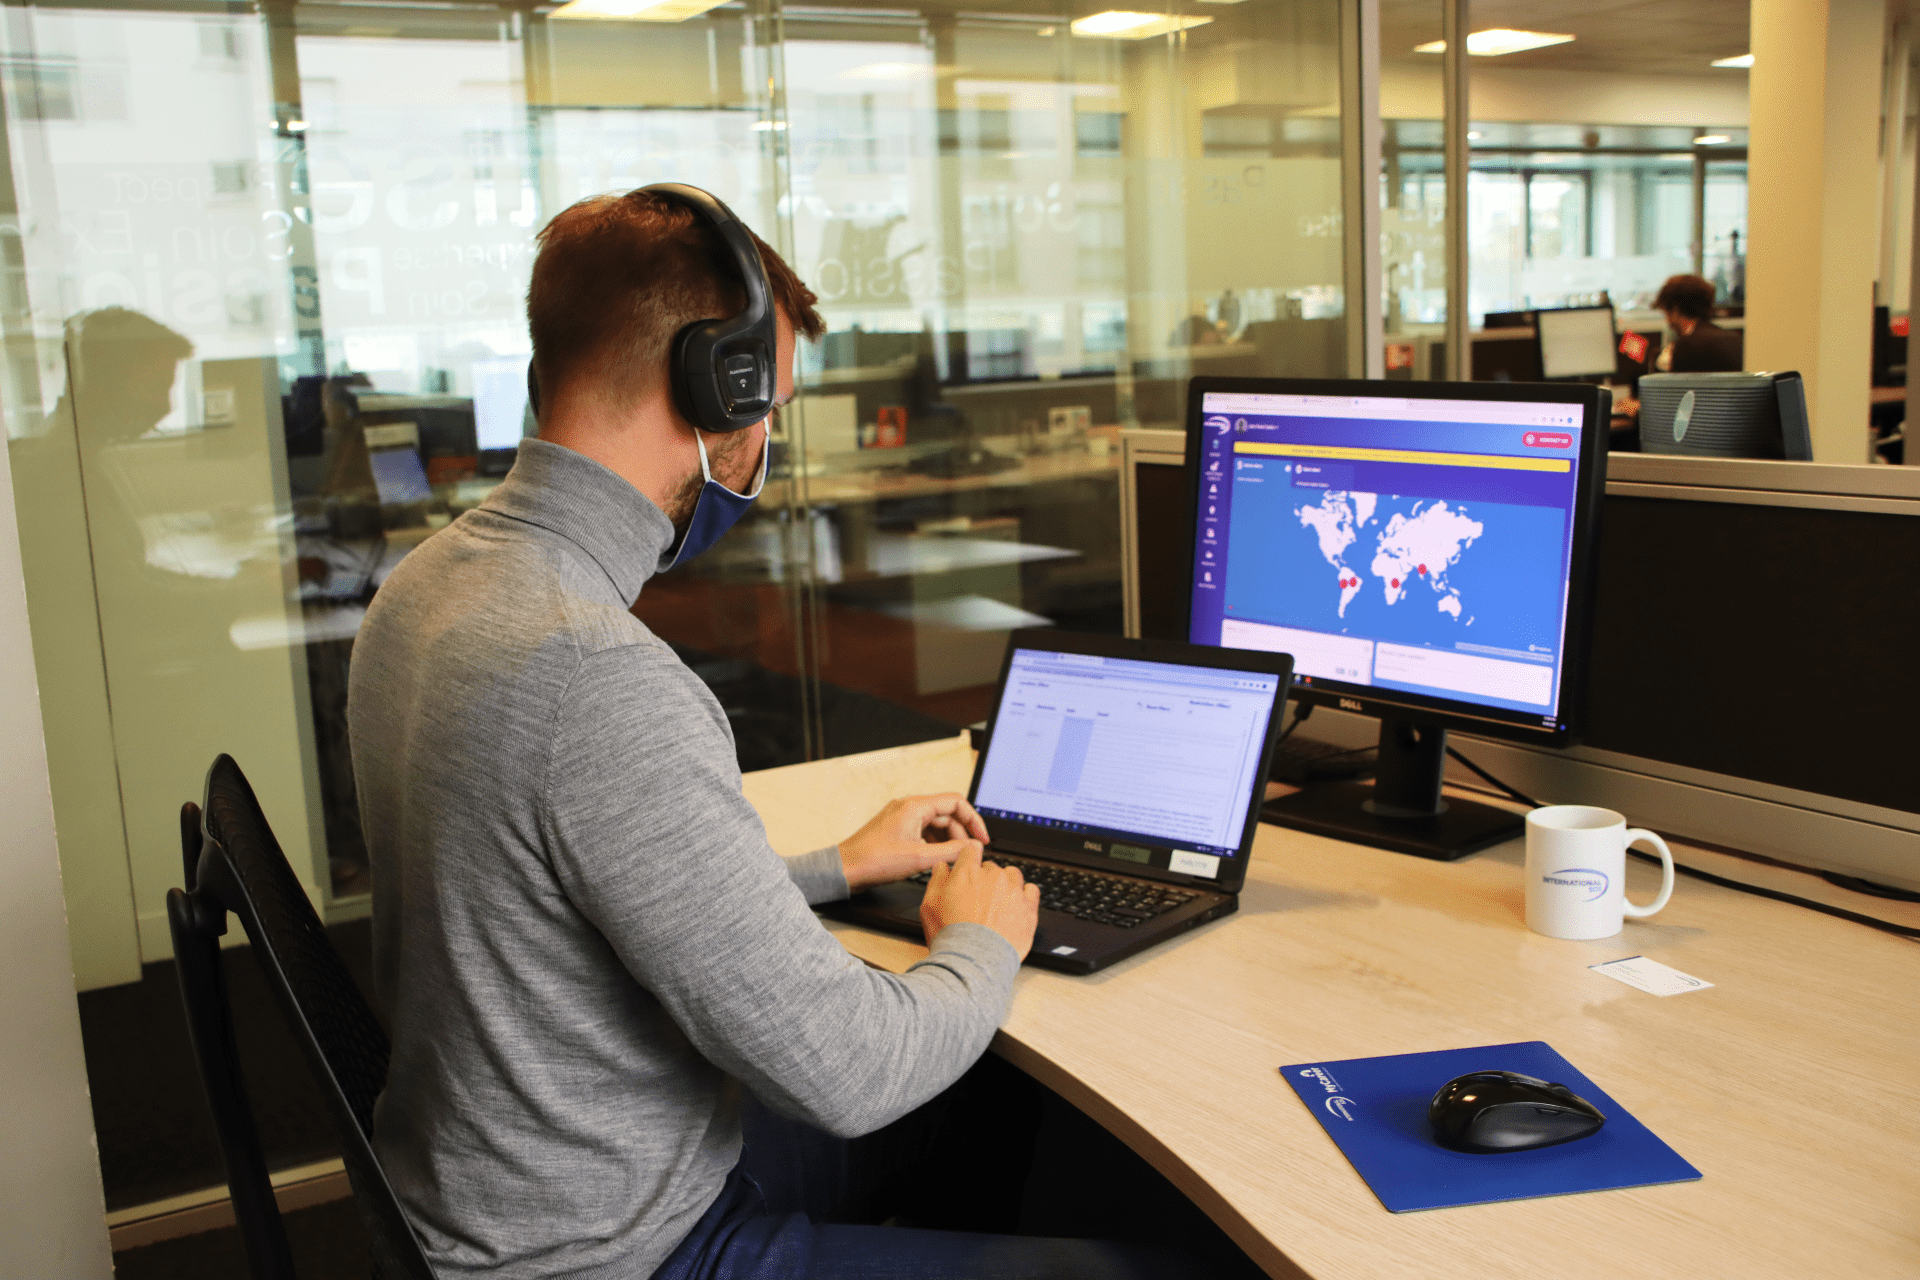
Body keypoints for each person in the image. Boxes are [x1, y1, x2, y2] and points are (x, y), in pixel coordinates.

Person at [347, 187, 1209, 1280]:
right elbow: (850, 1071)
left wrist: (835, 865)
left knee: (984, 1099)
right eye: (770, 407)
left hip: (523, 1177)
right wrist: (983, 936)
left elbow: (564, 892)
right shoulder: (594, 673)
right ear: (718, 386)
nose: (766, 444)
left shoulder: (426, 587)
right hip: (619, 1248)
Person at [1650, 273, 1743, 373]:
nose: (1668, 322)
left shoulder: (1686, 346)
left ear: (1675, 311)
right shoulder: (1735, 339)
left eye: (1666, 314)